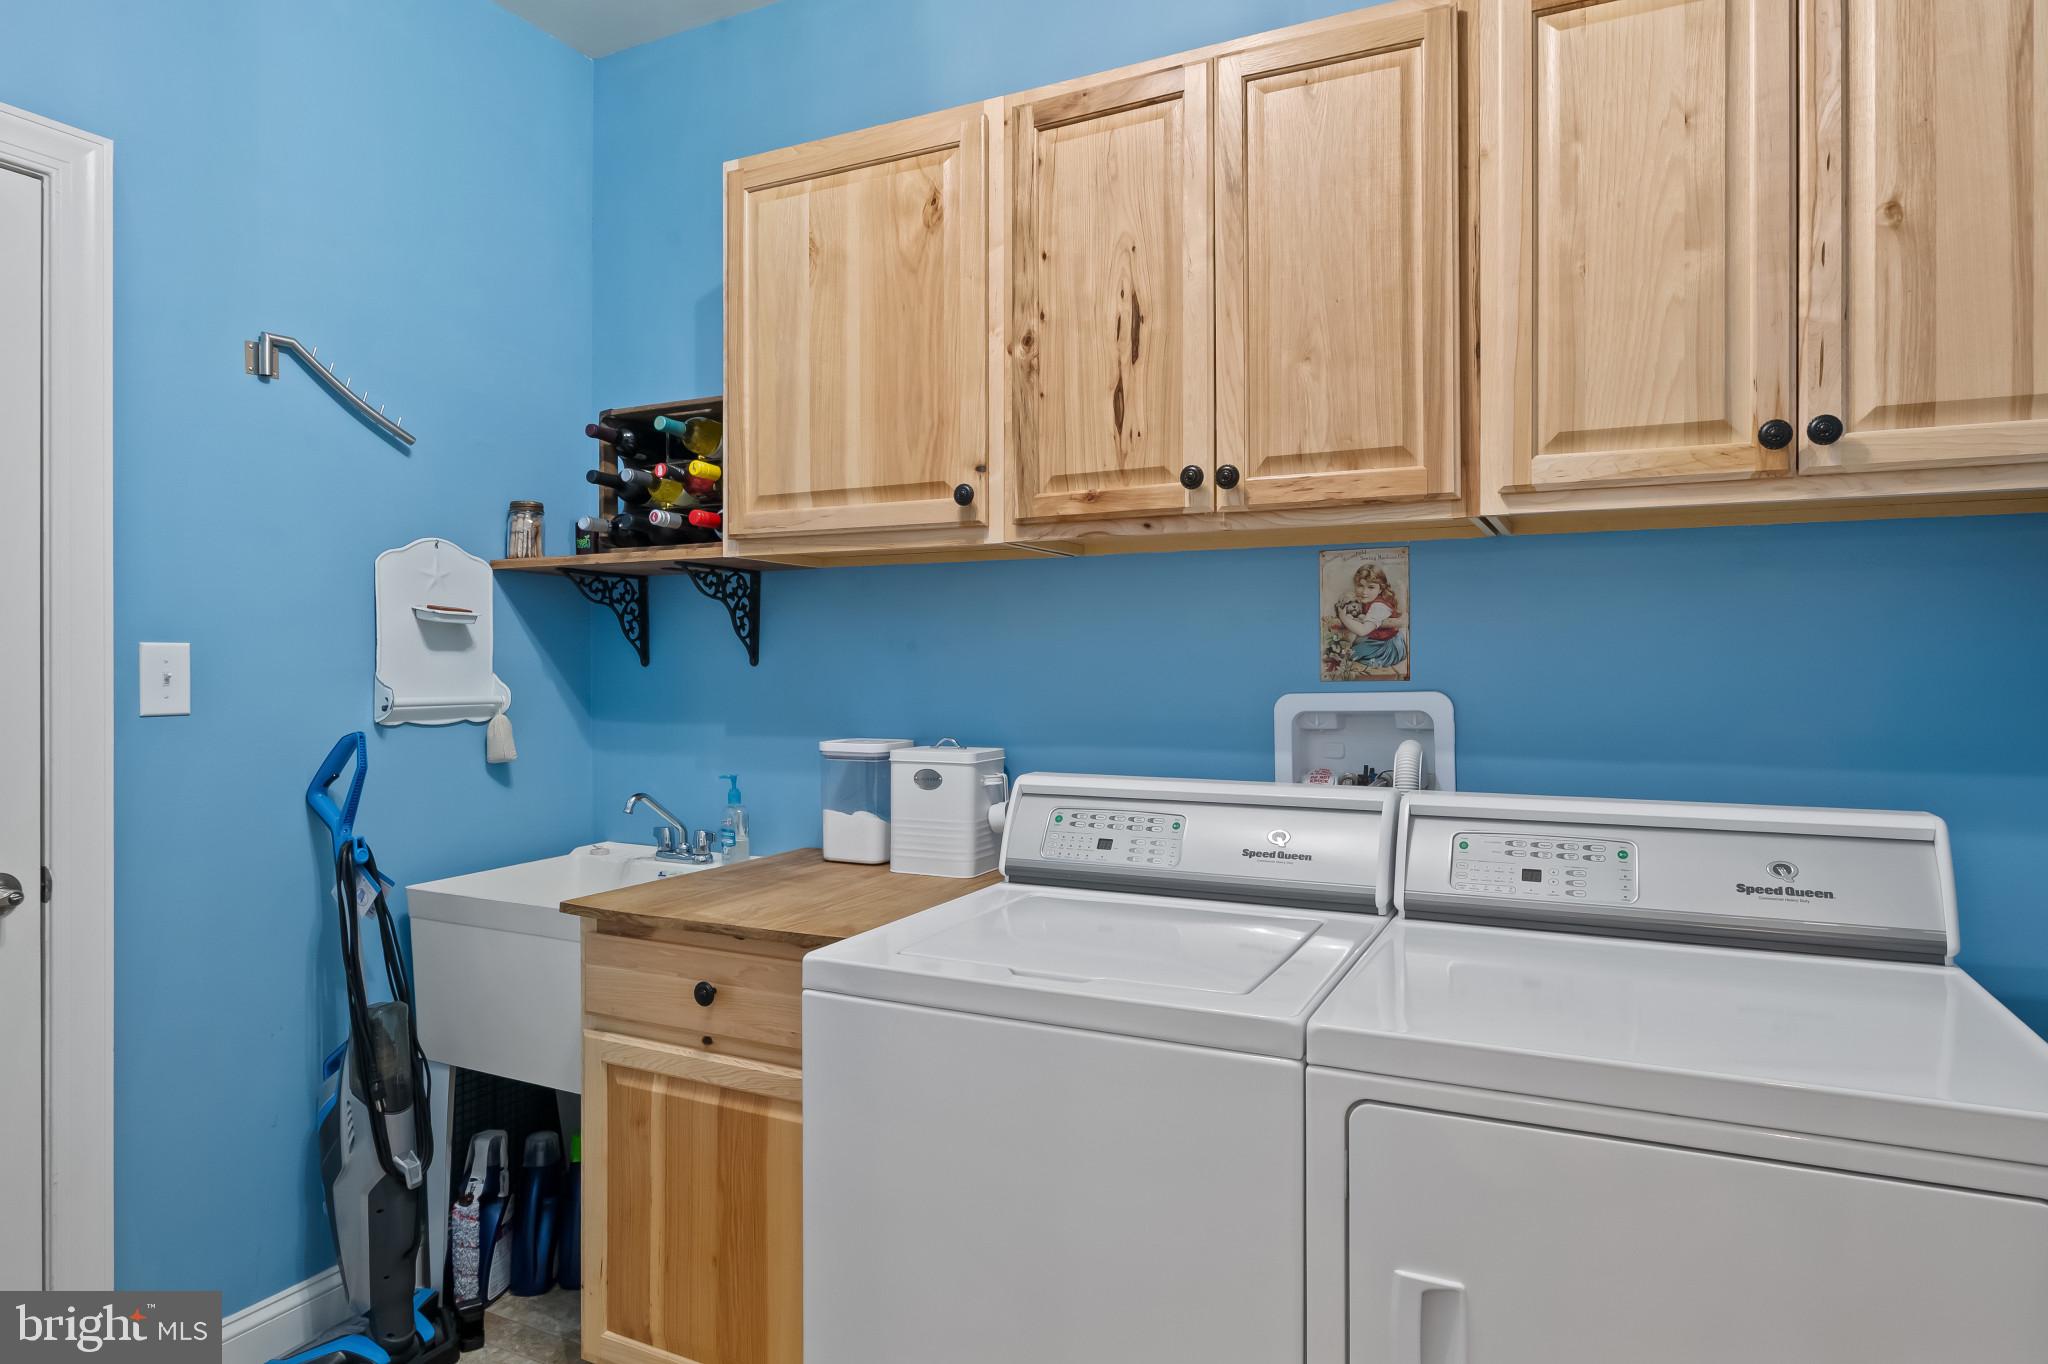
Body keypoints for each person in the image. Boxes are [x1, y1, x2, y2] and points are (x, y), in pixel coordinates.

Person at [1335, 561, 1407, 672]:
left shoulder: (1378, 606)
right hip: (1379, 639)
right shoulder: (1370, 599)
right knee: (1350, 649)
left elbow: (1363, 631)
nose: (1364, 592)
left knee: (1349, 655)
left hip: (1387, 647)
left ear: (1381, 589)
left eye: (1371, 587)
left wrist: (1343, 617)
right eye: (1360, 586)